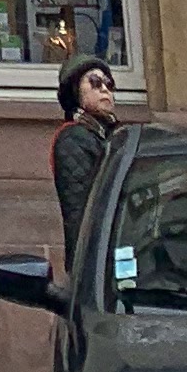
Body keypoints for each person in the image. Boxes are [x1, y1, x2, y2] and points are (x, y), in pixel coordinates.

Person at [51, 54, 118, 261]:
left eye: (109, 84)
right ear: (75, 93)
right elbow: (79, 213)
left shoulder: (107, 135)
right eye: (95, 82)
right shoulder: (74, 139)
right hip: (96, 258)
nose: (105, 89)